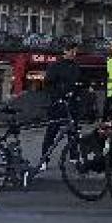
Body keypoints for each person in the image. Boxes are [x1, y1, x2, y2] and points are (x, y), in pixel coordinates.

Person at [38, 40, 82, 171]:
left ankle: (74, 156)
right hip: (58, 104)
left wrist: (77, 94)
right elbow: (48, 84)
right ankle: (44, 159)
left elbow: (79, 83)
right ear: (65, 51)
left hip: (72, 103)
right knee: (51, 132)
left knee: (73, 131)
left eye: (75, 52)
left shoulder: (75, 66)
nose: (74, 54)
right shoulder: (55, 66)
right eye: (72, 51)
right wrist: (58, 96)